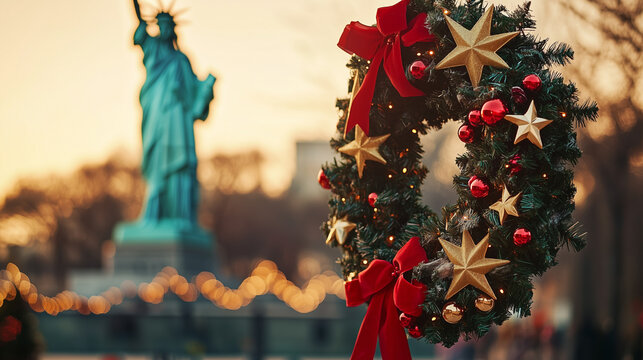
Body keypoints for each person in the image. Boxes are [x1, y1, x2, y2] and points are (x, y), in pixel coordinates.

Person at [131, 0, 216, 227]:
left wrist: (206, 88)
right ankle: (154, 213)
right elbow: (139, 25)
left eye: (170, 25)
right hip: (158, 115)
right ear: (157, 26)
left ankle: (180, 215)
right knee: (158, 161)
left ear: (174, 29)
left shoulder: (181, 60)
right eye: (161, 24)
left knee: (180, 165)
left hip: (178, 119)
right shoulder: (154, 49)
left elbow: (195, 92)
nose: (165, 28)